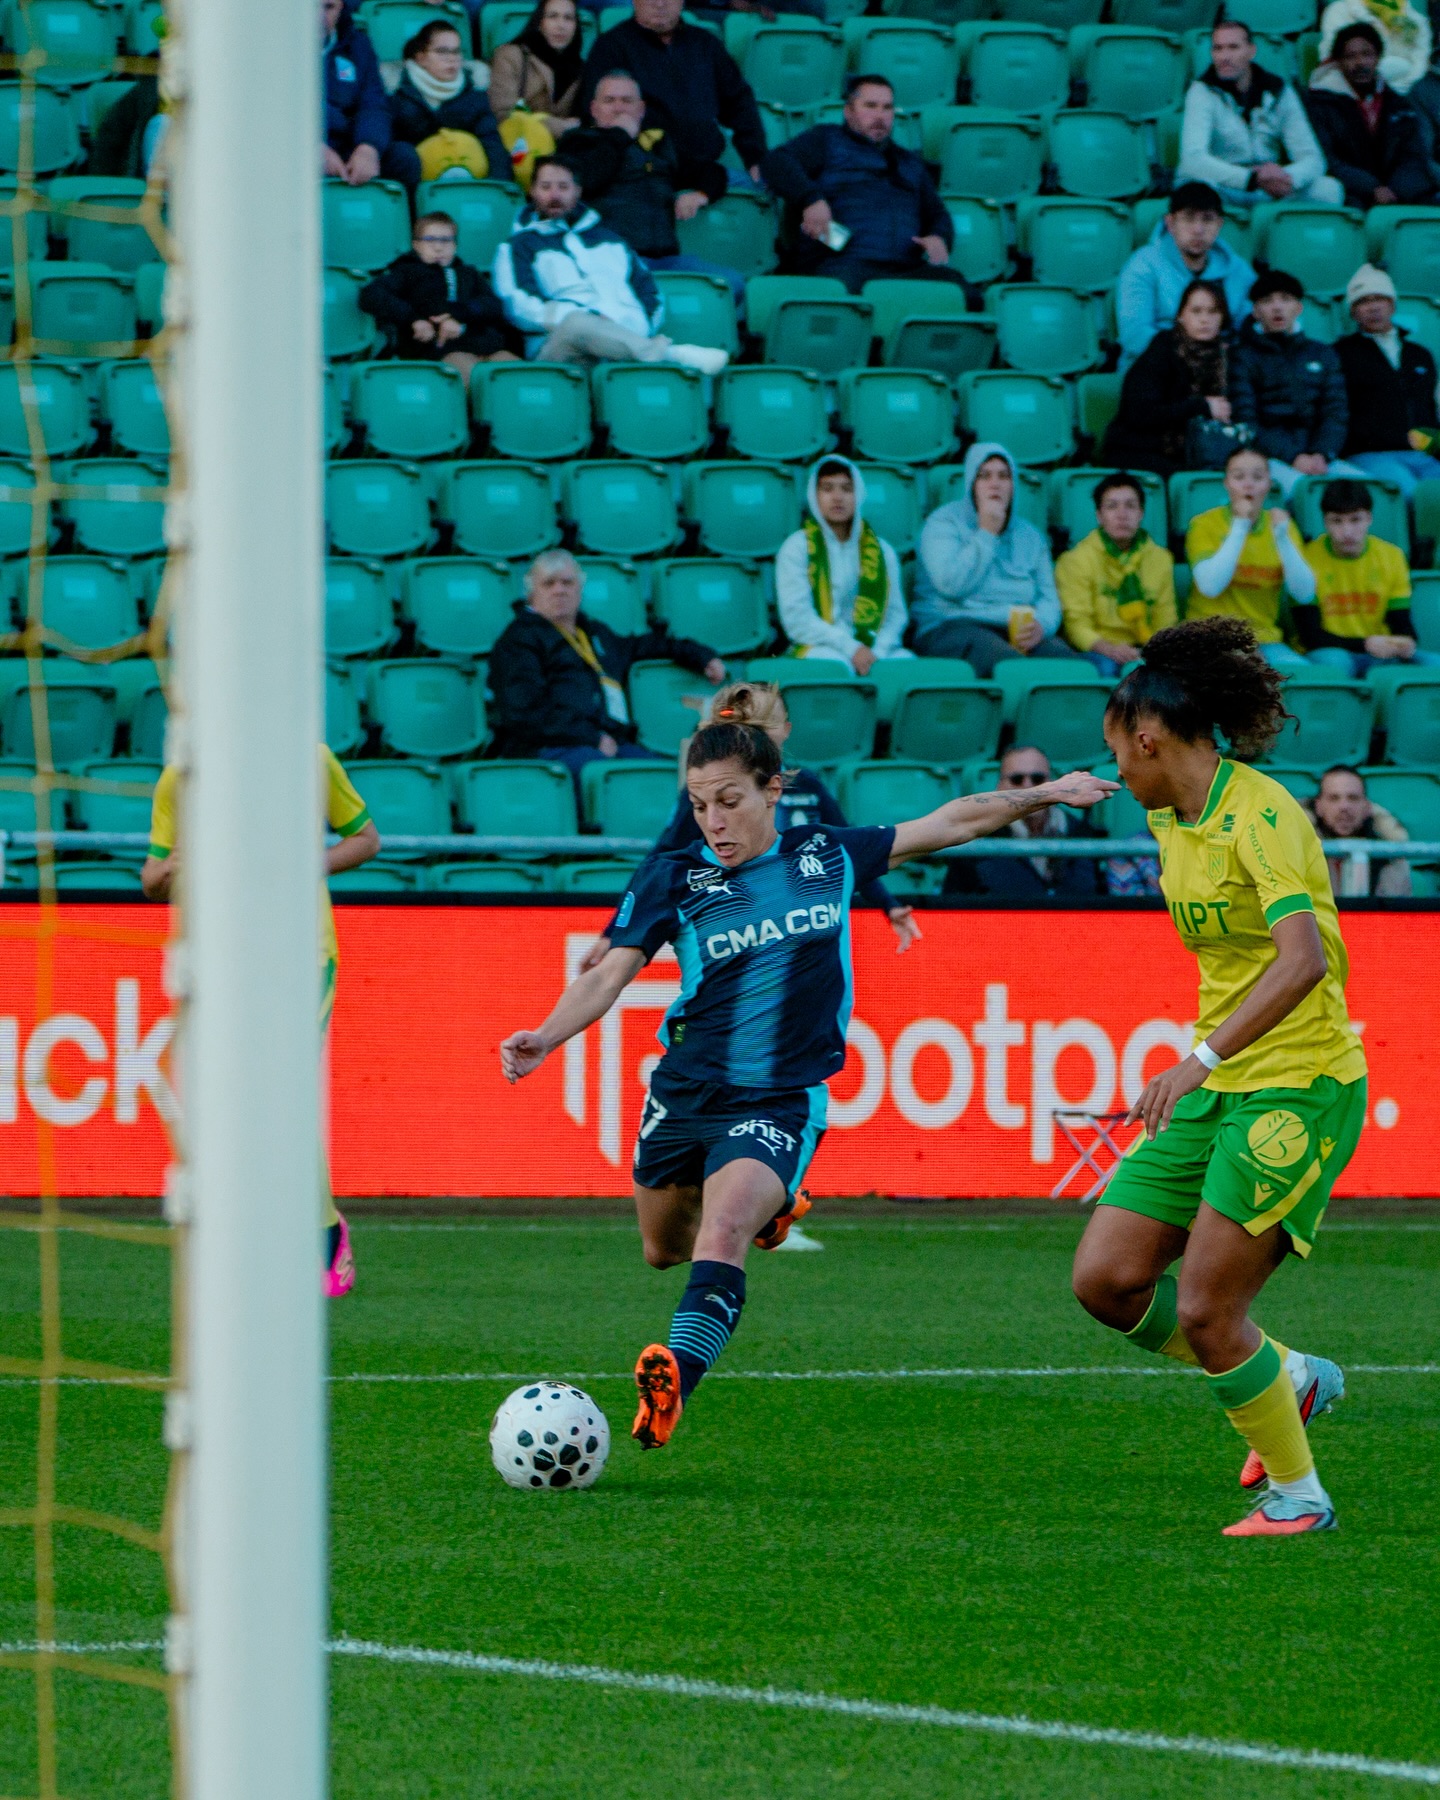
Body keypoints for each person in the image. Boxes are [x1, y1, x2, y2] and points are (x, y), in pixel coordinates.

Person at [501, 722, 1114, 1451]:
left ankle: (675, 1382)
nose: (713, 821)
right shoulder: (673, 877)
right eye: (699, 805)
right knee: (663, 1250)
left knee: (722, 1231)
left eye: (729, 801)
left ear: (772, 791)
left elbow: (950, 822)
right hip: (684, 1094)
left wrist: (1050, 791)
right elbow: (608, 974)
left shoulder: (824, 854)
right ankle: (777, 1210)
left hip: (779, 1100)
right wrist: (546, 1035)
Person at [1071, 617, 1368, 1537]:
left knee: (1206, 1308)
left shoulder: (1264, 815)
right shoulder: (1168, 816)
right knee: (1107, 1280)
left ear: (1148, 740)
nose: (1115, 769)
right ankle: (1289, 1375)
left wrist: (1197, 1059)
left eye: (1115, 752)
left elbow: (1302, 961)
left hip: (1298, 1084)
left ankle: (1300, 1497)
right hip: (1222, 1082)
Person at [142, 747, 382, 1300]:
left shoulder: (307, 756)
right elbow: (151, 877)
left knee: (286, 1091)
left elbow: (366, 840)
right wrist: (177, 867)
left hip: (303, 953)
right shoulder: (180, 775)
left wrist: (299, 866)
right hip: (225, 960)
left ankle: (324, 1235)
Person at [581, 680, 923, 970]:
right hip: (737, 928)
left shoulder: (807, 784)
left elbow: (849, 850)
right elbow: (662, 858)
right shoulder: (710, 791)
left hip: (803, 928)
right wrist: (614, 933)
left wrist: (888, 903)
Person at [488, 549, 726, 782]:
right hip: (549, 748)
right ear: (531, 594)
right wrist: (591, 737)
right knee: (612, 778)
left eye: (567, 582)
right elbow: (524, 713)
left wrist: (701, 655)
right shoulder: (518, 641)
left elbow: (642, 646)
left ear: (580, 590)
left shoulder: (593, 633)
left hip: (607, 742)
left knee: (664, 777)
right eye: (548, 583)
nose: (559, 590)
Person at [492, 158, 728, 371]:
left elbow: (650, 293)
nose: (554, 195)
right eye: (546, 187)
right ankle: (668, 355)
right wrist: (592, 319)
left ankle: (643, 352)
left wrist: (632, 326)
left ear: (577, 191)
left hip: (624, 338)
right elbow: (517, 304)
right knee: (577, 323)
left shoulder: (612, 241)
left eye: (563, 187)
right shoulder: (518, 246)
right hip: (559, 347)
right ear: (532, 191)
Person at [760, 76, 968, 297]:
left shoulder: (910, 162)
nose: (880, 115)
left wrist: (939, 236)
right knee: (838, 293)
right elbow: (775, 163)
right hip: (844, 263)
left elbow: (937, 213)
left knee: (962, 293)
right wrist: (811, 199)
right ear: (848, 111)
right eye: (870, 106)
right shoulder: (826, 139)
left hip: (906, 267)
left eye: (887, 108)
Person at [557, 70, 744, 306]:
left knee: (732, 284)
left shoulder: (657, 145)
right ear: (594, 109)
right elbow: (587, 179)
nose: (619, 108)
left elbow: (711, 171)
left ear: (641, 109)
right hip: (613, 261)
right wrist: (619, 134)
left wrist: (700, 194)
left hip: (666, 260)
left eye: (627, 101)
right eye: (609, 100)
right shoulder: (577, 142)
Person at [912, 442, 1080, 675]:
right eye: (984, 476)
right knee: (1012, 668)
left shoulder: (1030, 536)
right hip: (949, 626)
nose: (995, 484)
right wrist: (987, 533)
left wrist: (1042, 625)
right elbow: (950, 585)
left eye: (1004, 476)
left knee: (1073, 668)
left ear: (1013, 485)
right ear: (971, 483)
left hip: (1015, 630)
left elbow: (1048, 598)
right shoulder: (942, 524)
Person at [581, 0, 768, 191]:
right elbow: (595, 114)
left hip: (705, 171)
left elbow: (738, 101)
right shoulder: (610, 47)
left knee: (767, 187)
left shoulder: (705, 44)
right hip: (641, 174)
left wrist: (755, 157)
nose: (660, 4)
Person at [1231, 270, 1367, 502]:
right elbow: (1246, 420)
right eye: (1267, 301)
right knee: (1306, 492)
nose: (1277, 307)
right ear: (1255, 311)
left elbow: (1335, 412)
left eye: (1285, 299)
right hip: (1269, 458)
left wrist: (1322, 453)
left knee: (1369, 490)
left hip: (1321, 458)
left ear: (1299, 307)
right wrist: (1293, 457)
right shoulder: (1241, 357)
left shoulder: (1323, 354)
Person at [1179, 21, 1343, 210]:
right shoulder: (1201, 91)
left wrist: (1287, 178)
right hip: (1226, 185)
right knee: (1197, 190)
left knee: (1329, 189)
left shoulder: (1278, 90)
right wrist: (1250, 179)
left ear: (1251, 51)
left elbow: (1312, 158)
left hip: (1271, 186)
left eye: (1233, 47)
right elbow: (1192, 160)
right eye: (1218, 49)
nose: (1224, 57)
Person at [775, 457, 912, 671]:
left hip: (875, 648)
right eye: (827, 489)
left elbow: (895, 615)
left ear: (859, 495)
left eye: (847, 489)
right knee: (837, 666)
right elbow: (797, 619)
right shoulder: (797, 548)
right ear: (814, 496)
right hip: (820, 645)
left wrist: (877, 653)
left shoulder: (882, 550)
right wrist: (851, 648)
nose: (838, 497)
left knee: (905, 664)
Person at [1185, 444, 1314, 671]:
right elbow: (1210, 586)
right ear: (1226, 483)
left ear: (1269, 484)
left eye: (1257, 477)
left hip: (1265, 640)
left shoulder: (1283, 526)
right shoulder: (1203, 524)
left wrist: (1283, 538)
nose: (1248, 484)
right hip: (1209, 637)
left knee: (1305, 678)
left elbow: (1304, 594)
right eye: (1239, 477)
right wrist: (1240, 525)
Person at [1298, 476, 1440, 674]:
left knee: (1434, 664)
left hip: (1379, 650)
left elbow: (1401, 622)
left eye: (1355, 520)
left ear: (1369, 519)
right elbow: (1310, 635)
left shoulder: (1392, 556)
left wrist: (1404, 642)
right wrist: (1365, 644)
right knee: (1336, 664)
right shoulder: (1305, 559)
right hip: (1331, 650)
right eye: (1337, 521)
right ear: (1325, 522)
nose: (1347, 531)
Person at [1103, 278, 1238, 482]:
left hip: (1197, 452)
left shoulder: (1227, 357)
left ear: (1223, 317)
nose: (1205, 319)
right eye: (1196, 311)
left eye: (1213, 311)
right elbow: (1141, 414)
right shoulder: (1162, 350)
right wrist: (1201, 406)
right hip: (1140, 449)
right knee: (1194, 481)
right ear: (1181, 316)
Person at [1115, 181, 1256, 370]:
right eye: (1189, 219)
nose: (1198, 230)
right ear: (1170, 223)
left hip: (1223, 368)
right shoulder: (1142, 265)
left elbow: (1251, 325)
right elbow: (1135, 336)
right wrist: (1197, 355)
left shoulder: (1237, 268)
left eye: (1207, 220)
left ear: (1219, 225)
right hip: (1157, 368)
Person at [360, 211, 518, 378]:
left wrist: (458, 315)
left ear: (455, 246)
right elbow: (371, 295)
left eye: (446, 240)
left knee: (517, 376)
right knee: (473, 376)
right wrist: (414, 319)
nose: (438, 247)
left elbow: (494, 305)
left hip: (484, 345)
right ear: (416, 245)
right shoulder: (406, 271)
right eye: (430, 240)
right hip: (438, 349)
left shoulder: (469, 273)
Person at [1305, 23, 1440, 210]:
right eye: (1350, 56)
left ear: (1378, 58)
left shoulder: (1398, 104)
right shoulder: (1320, 104)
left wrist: (1394, 191)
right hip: (1351, 193)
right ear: (1338, 62)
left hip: (1397, 194)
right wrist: (1372, 188)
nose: (1360, 62)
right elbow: (1327, 159)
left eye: (1367, 54)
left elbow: (1414, 156)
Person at [942, 745, 1105, 899]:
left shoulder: (1085, 835)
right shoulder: (975, 843)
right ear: (999, 787)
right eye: (1017, 780)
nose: (1028, 788)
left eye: (1038, 779)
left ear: (1053, 784)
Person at [1056, 472, 1177, 676]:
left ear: (1141, 513)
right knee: (1108, 668)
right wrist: (1110, 649)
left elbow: (1166, 621)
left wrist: (1147, 653)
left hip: (1146, 648)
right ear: (1099, 515)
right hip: (1098, 650)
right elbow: (1076, 625)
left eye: (1130, 506)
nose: (1122, 514)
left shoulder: (1160, 559)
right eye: (1112, 506)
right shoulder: (1076, 560)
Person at [1334, 264, 1440, 496]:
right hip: (1368, 454)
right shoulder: (1340, 354)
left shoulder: (1419, 354)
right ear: (1353, 311)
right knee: (1409, 494)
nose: (1373, 307)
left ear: (1392, 304)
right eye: (1363, 301)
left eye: (1380, 299)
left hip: (1423, 455)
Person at [384, 19, 511, 192]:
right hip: (415, 184)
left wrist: (495, 189)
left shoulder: (474, 94)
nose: (452, 59)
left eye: (457, 52)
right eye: (442, 51)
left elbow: (491, 143)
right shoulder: (396, 93)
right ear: (421, 58)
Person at [1316, 0, 1440, 152]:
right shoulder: (1339, 11)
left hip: (1405, 97)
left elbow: (1420, 68)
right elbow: (1334, 63)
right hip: (1352, 98)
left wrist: (1394, 92)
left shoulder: (1415, 18)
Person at [1305, 763, 1413, 896]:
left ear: (1368, 807)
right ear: (1318, 806)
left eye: (1353, 798)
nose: (1344, 807)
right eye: (1334, 798)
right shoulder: (1300, 853)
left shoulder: (1391, 858)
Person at [488, 0, 585, 142]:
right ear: (540, 22)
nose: (561, 25)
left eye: (568, 18)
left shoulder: (581, 69)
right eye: (553, 16)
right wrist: (559, 127)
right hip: (520, 145)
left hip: (566, 149)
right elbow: (503, 113)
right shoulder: (510, 56)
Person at [322, 0, 393, 187]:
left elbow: (374, 102)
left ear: (341, 7)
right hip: (292, 142)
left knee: (403, 159)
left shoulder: (358, 45)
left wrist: (368, 147)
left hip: (347, 141)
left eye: (328, 7)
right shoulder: (271, 46)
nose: (319, 17)